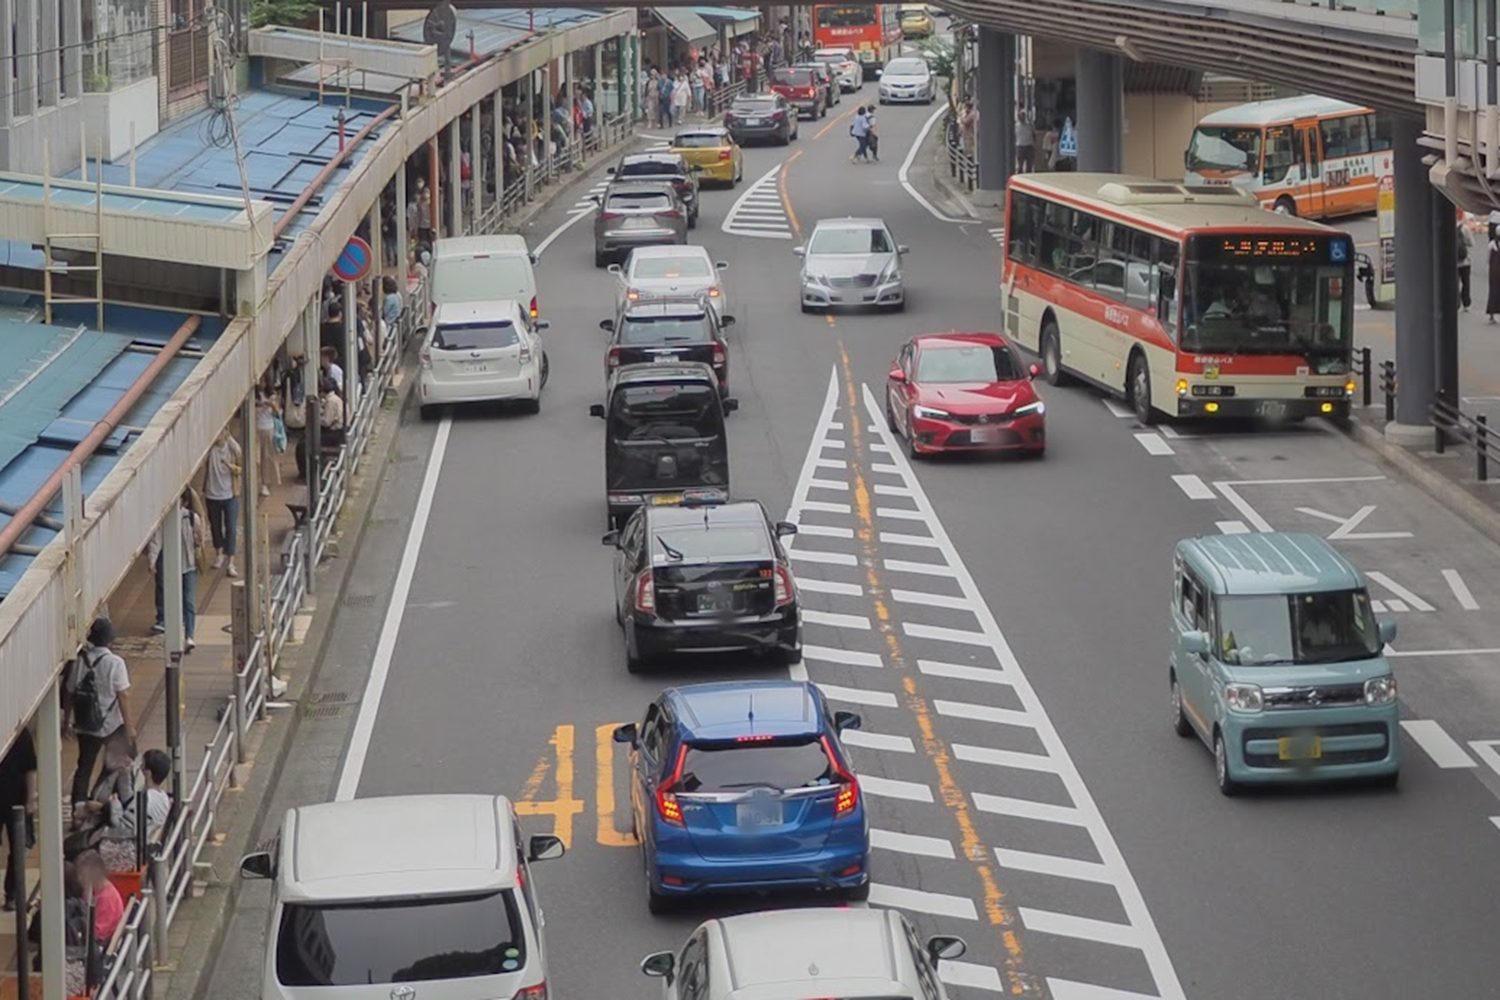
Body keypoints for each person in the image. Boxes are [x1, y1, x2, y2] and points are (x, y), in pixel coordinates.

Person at [64, 618, 134, 809]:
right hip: (111, 724)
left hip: (85, 723)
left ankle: (77, 809)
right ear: (110, 641)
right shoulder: (115, 663)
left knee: (84, 767)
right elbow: (123, 695)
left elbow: (70, 692)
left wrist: (67, 721)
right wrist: (129, 728)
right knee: (119, 760)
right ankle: (101, 797)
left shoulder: (80, 661)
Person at [148, 491, 204, 651]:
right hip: (170, 566)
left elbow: (199, 539)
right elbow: (156, 541)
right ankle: (172, 628)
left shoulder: (192, 518)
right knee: (171, 598)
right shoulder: (164, 520)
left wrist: (198, 539)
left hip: (190, 566)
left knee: (189, 601)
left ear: (184, 502)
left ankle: (190, 635)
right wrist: (152, 561)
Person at [0, 726, 36, 911]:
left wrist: (30, 800)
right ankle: (12, 895)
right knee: (17, 850)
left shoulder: (21, 734)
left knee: (19, 849)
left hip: (17, 802)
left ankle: (12, 894)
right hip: (11, 799)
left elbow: (30, 769)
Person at [203, 429, 241, 578]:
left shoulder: (232, 448)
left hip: (230, 494)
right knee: (215, 526)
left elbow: (240, 458)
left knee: (231, 528)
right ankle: (218, 553)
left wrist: (229, 438)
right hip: (212, 494)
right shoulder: (210, 449)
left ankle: (230, 561)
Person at [75, 851, 124, 944]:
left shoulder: (107, 899)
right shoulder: (94, 891)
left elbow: (98, 934)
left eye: (83, 874)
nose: (79, 879)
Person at [253, 384, 281, 497]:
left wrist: (272, 405)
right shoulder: (252, 394)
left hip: (267, 428)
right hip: (255, 429)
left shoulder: (272, 395)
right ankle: (256, 483)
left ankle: (266, 483)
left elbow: (277, 413)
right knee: (256, 458)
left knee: (267, 457)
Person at [1458, 223, 1473, 312]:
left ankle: (1455, 303)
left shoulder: (1446, 226)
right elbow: (1471, 243)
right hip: (1465, 261)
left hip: (1452, 261)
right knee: (1466, 283)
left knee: (1454, 283)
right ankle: (1466, 303)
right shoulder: (1464, 228)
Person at [1015, 107, 1035, 172]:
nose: (1022, 118)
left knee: (1029, 164)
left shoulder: (1030, 125)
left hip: (1029, 146)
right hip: (1020, 146)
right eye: (1020, 116)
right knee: (1020, 164)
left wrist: (1034, 144)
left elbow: (1033, 134)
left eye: (1023, 116)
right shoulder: (1016, 126)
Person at [1488, 225, 1500, 324]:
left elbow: (1488, 258)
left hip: (1494, 270)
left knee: (1493, 291)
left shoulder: (1492, 244)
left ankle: (1492, 313)